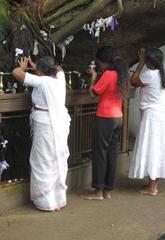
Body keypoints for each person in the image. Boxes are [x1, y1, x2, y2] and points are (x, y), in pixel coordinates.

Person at [12, 56, 71, 211]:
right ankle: (57, 200)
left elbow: (16, 73)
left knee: (43, 161)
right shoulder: (60, 78)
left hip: (45, 124)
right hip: (58, 124)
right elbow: (59, 69)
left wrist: (25, 67)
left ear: (40, 71)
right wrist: (37, 67)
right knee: (55, 159)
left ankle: (46, 202)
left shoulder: (42, 81)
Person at [128, 47, 165, 196]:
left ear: (149, 62)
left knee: (152, 148)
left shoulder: (149, 74)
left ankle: (152, 187)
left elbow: (133, 81)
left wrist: (140, 63)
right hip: (164, 115)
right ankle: (153, 183)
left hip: (152, 117)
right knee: (160, 147)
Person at [82, 46, 128, 200]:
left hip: (105, 117)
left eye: (99, 62)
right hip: (118, 117)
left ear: (104, 61)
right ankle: (108, 190)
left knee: (100, 153)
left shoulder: (108, 74)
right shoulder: (121, 74)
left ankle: (98, 191)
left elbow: (93, 93)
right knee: (111, 154)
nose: (99, 65)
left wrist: (94, 76)